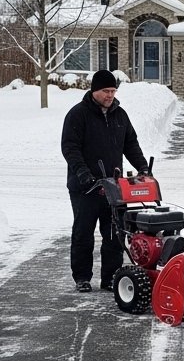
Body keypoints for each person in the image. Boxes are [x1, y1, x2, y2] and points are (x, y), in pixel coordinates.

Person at [61, 68, 151, 292]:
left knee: (114, 234)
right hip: (86, 187)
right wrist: (83, 173)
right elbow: (70, 148)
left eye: (113, 91)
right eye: (106, 91)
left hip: (114, 185)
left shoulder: (120, 115)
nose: (110, 95)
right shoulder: (78, 114)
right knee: (84, 232)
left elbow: (130, 143)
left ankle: (110, 277)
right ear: (94, 91)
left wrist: (142, 167)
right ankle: (82, 277)